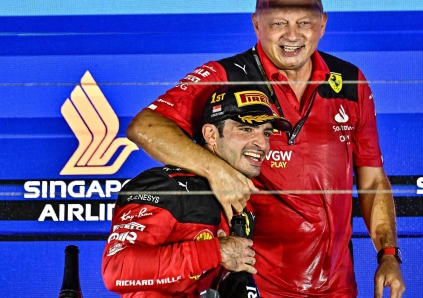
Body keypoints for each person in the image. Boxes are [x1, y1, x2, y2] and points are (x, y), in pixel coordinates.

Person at [126, 0, 406, 297]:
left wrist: (388, 253)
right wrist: (217, 171)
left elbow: (373, 180)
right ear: (256, 24)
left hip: (337, 287)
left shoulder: (350, 81)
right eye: (278, 24)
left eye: (304, 23)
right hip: (250, 284)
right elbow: (145, 127)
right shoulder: (225, 76)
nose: (292, 36)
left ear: (323, 24)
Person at [102, 85, 292, 297]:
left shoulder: (243, 202)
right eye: (246, 129)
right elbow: (116, 270)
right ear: (210, 134)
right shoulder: (164, 185)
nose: (262, 143)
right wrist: (215, 251)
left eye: (266, 132)